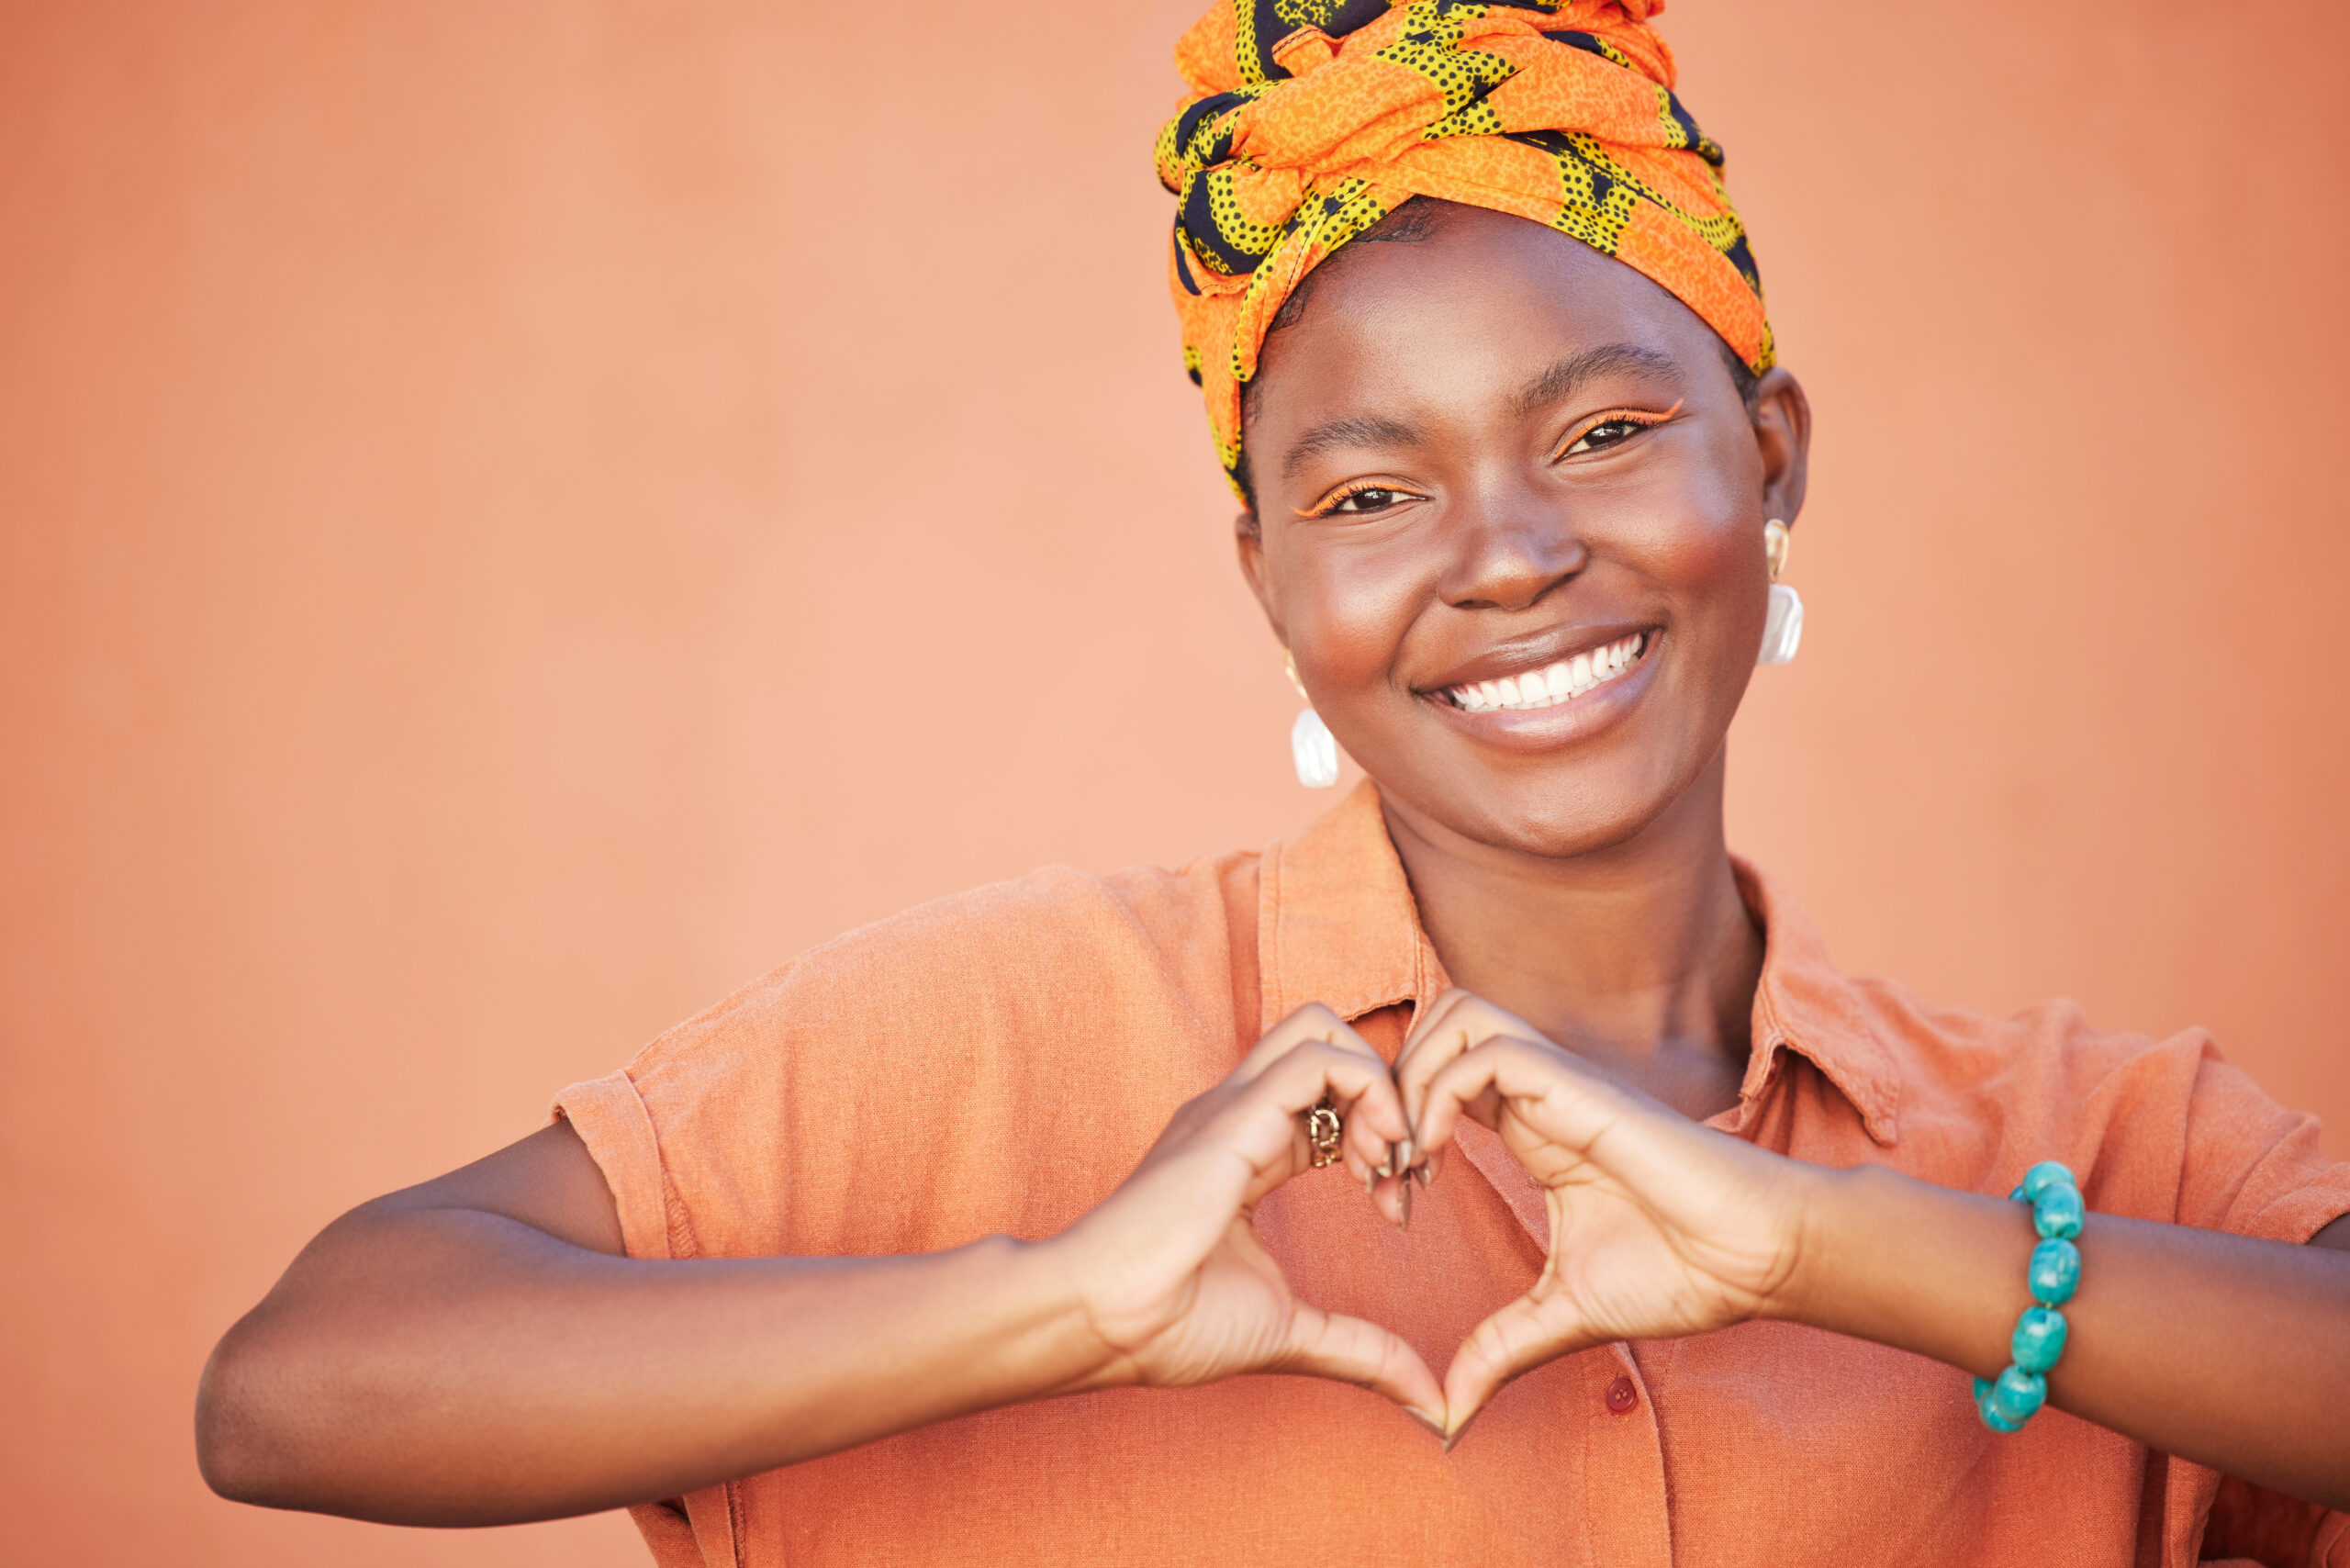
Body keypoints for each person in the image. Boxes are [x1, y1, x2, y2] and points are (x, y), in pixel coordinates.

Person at [196, 2, 2350, 1563]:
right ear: (1268, 578)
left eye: (1600, 432)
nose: (1504, 552)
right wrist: (1057, 1297)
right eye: (1367, 489)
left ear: (1767, 462)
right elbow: (298, 1387)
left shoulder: (2090, 1143)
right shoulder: (986, 1045)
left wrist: (1833, 1245)